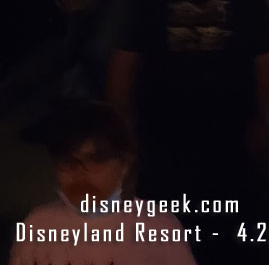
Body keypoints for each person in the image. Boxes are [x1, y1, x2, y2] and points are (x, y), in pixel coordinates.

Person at [107, 0, 269, 262]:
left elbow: (268, 61)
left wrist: (264, 117)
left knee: (226, 228)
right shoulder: (152, 1)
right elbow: (125, 63)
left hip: (230, 133)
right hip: (164, 136)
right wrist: (123, 123)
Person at [10, 101, 197, 265]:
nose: (81, 174)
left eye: (96, 160)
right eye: (68, 162)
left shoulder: (158, 226)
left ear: (124, 164)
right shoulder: (38, 225)